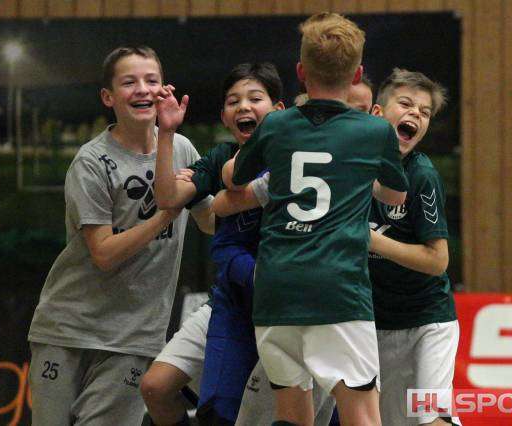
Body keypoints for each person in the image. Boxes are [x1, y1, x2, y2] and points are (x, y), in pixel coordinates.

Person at [229, 13, 409, 426]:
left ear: (301, 72)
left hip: (276, 289)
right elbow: (396, 194)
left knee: (291, 416)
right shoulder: (373, 131)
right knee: (363, 416)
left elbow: (238, 177)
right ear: (357, 74)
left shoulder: (275, 125)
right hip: (338, 289)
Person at [26, 46, 213, 426]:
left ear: (165, 90)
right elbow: (104, 253)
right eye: (129, 82)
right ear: (108, 97)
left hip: (135, 336)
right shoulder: (91, 162)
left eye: (151, 80)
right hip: (67, 328)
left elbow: (209, 221)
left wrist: (250, 187)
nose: (142, 89)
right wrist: (167, 213)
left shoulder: (181, 149)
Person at [141, 63, 286, 426]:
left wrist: (226, 201)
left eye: (255, 98)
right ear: (224, 116)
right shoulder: (221, 157)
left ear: (279, 110)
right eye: (234, 101)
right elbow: (168, 197)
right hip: (232, 301)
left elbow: (220, 209)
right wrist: (166, 133)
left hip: (286, 305)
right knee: (157, 388)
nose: (244, 107)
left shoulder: (295, 159)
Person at [367, 68, 461, 426]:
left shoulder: (422, 176)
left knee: (430, 418)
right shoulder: (353, 166)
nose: (415, 115)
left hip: (428, 321)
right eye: (406, 104)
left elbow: (438, 261)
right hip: (375, 324)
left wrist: (372, 240)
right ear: (378, 113)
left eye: (424, 112)